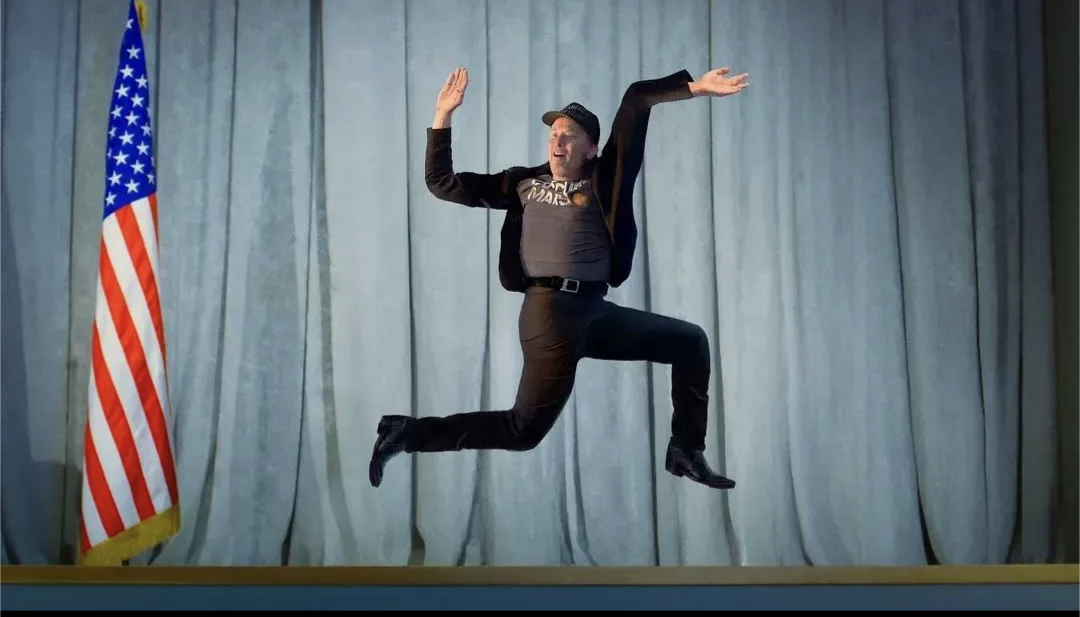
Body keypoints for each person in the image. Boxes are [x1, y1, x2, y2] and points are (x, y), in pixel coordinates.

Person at [369, 65, 749, 491]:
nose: (558, 141)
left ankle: (685, 450)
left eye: (569, 135)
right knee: (521, 431)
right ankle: (406, 433)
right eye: (553, 134)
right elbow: (441, 183)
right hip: (549, 315)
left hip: (594, 314)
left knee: (690, 342)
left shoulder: (605, 177)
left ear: (591, 148)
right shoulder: (523, 184)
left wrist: (696, 88)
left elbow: (638, 97)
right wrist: (443, 115)